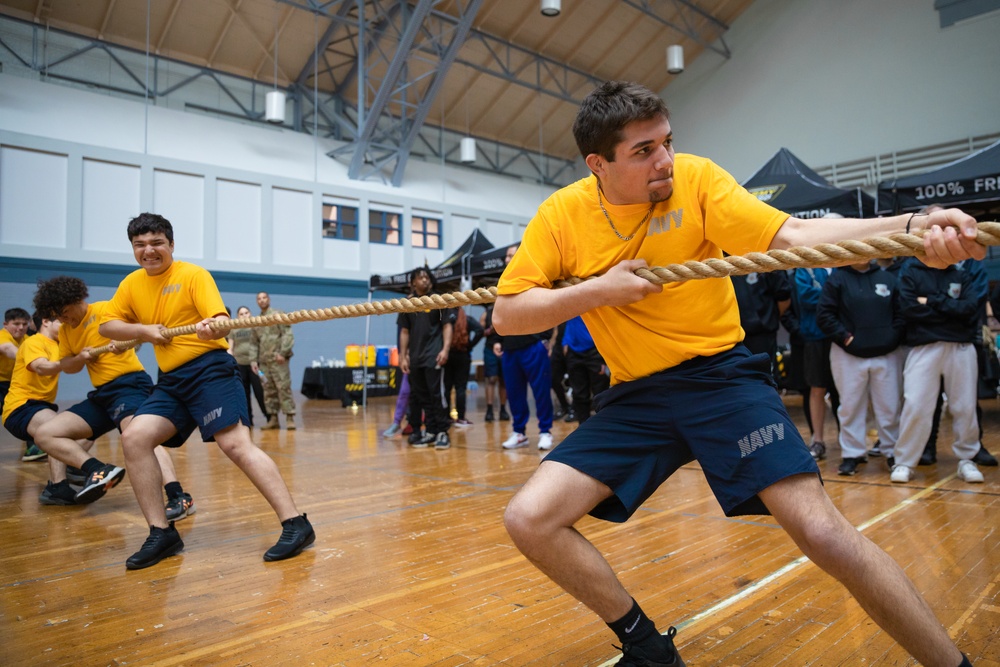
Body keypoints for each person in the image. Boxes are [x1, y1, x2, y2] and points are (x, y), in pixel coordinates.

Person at [493, 81, 979, 667]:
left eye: (668, 142)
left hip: (722, 380)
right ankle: (647, 648)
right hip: (636, 397)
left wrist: (911, 228)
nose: (665, 160)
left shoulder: (697, 181)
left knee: (823, 534)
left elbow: (794, 236)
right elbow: (508, 314)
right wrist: (600, 290)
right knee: (529, 519)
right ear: (599, 164)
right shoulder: (562, 216)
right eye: (643, 151)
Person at [99, 213, 314, 570]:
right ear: (133, 248)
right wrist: (144, 331)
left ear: (170, 245)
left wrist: (210, 329)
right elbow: (108, 326)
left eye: (156, 243)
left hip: (210, 371)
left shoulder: (193, 275)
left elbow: (219, 322)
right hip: (171, 381)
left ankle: (296, 523)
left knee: (235, 445)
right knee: (134, 437)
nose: (148, 251)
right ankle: (161, 532)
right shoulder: (131, 284)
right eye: (140, 245)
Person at [32, 276, 196, 517]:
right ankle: (97, 470)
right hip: (102, 396)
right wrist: (80, 358)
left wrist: (125, 341)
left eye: (66, 312)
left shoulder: (106, 310)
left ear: (77, 299)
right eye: (59, 316)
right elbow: (68, 366)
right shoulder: (67, 331)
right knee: (44, 434)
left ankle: (179, 497)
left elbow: (142, 329)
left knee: (140, 438)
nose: (64, 319)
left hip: (129, 385)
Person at [890, 258, 986, 485]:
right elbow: (909, 309)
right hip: (923, 347)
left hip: (960, 346)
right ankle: (904, 461)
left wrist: (930, 301)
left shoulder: (960, 274)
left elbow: (970, 309)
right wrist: (950, 311)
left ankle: (967, 458)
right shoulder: (911, 271)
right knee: (915, 404)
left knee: (965, 406)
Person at [816, 260, 904, 476]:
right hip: (848, 356)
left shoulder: (888, 279)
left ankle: (892, 452)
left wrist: (891, 338)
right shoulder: (836, 280)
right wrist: (846, 339)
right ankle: (852, 454)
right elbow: (825, 315)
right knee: (851, 406)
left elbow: (902, 314)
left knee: (889, 406)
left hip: (886, 354)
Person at [498, 244, 556, 452]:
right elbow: (498, 314)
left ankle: (545, 431)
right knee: (514, 393)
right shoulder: (502, 282)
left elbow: (548, 307)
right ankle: (519, 432)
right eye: (506, 256)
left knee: (541, 391)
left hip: (533, 346)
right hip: (510, 348)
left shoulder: (534, 278)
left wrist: (545, 338)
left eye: (511, 255)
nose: (507, 259)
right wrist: (496, 341)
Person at [397, 266, 455, 450]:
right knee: (423, 397)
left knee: (437, 395)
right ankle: (430, 431)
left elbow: (447, 326)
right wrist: (403, 355)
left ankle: (442, 432)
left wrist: (445, 349)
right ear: (413, 282)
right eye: (420, 277)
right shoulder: (407, 304)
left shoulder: (437, 300)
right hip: (415, 358)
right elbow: (404, 331)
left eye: (426, 277)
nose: (424, 280)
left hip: (433, 356)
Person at [1, 307, 45, 461]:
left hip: (13, 386)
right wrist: (28, 357)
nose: (20, 327)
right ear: (6, 324)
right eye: (16, 324)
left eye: (24, 324)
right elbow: (7, 349)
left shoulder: (28, 340)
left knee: (29, 410)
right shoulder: (3, 336)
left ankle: (34, 449)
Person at [251, 292, 296, 431]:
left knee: (283, 388)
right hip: (264, 362)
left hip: (279, 360)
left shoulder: (278, 314)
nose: (262, 300)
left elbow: (287, 334)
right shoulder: (256, 321)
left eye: (264, 298)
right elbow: (253, 343)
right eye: (259, 299)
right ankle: (273, 419)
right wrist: (253, 360)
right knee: (268, 390)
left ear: (269, 299)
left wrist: (283, 353)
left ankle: (289, 418)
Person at [562, 315, 610, 424]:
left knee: (600, 394)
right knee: (579, 394)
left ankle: (603, 428)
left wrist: (604, 357)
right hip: (573, 352)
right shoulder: (570, 300)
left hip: (595, 350)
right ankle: (583, 428)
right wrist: (565, 341)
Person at [228, 305, 269, 428]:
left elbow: (262, 343)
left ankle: (269, 418)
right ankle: (248, 421)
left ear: (250, 313)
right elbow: (231, 347)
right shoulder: (234, 329)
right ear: (237, 316)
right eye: (241, 314)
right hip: (240, 364)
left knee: (259, 392)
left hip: (255, 365)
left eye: (246, 312)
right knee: (244, 394)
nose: (244, 315)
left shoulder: (255, 326)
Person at [443, 305, 483, 427]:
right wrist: (470, 344)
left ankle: (446, 417)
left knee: (446, 388)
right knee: (460, 388)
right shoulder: (466, 319)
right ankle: (460, 418)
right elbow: (480, 330)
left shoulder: (445, 319)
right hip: (463, 355)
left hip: (448, 355)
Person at [480, 304, 510, 423]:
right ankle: (489, 410)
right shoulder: (487, 313)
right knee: (491, 379)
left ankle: (503, 409)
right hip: (490, 348)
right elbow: (480, 331)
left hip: (506, 347)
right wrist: (490, 330)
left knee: (504, 380)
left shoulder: (508, 310)